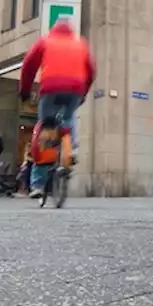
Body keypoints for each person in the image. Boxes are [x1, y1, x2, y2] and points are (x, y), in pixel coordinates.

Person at [19, 18, 95, 199]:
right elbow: (91, 70)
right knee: (69, 118)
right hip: (75, 88)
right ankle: (72, 151)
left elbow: (28, 65)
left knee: (46, 128)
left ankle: (37, 184)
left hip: (50, 88)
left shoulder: (45, 40)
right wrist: (83, 92)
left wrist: (25, 90)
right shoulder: (81, 43)